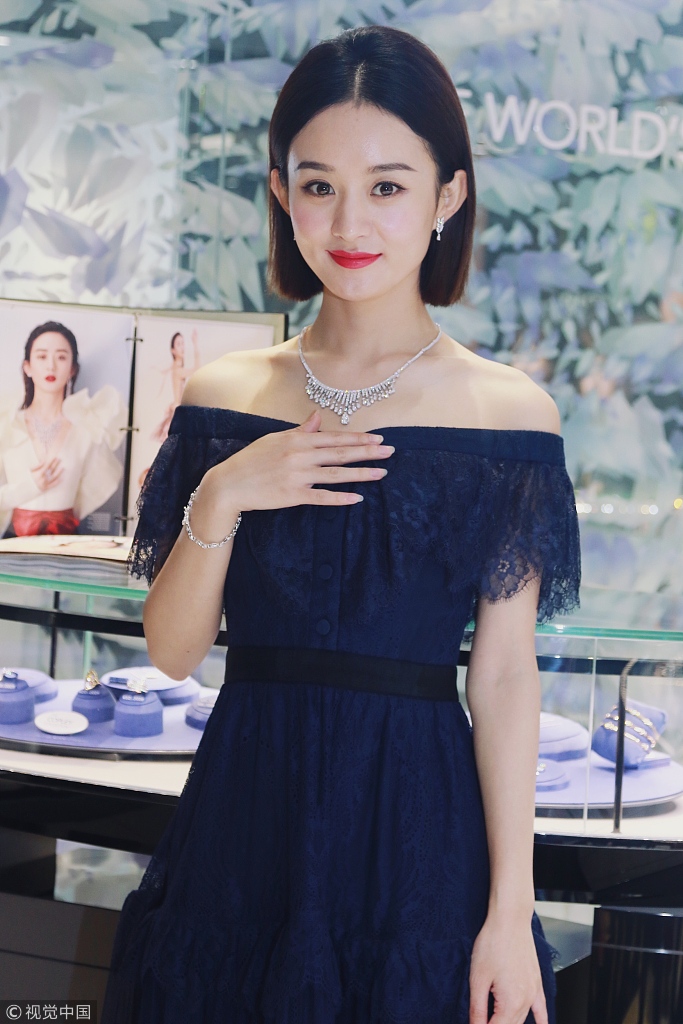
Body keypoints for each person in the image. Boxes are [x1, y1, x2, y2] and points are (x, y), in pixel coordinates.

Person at [102, 25, 580, 1024]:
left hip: (418, 832)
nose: (349, 221)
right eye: (318, 185)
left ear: (447, 196)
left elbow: (502, 676)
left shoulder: (508, 415)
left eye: (387, 186)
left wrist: (508, 911)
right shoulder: (225, 394)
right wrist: (221, 494)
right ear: (281, 194)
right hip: (244, 818)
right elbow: (174, 652)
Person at [0, 321, 126, 537]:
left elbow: (96, 488)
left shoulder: (88, 427)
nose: (51, 366)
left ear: (72, 369)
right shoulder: (7, 424)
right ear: (27, 367)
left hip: (67, 545)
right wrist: (30, 486)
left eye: (61, 357)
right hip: (13, 546)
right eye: (42, 357)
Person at [151, 328, 201, 443]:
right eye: (179, 344)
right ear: (173, 350)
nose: (182, 347)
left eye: (183, 343)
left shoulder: (176, 367)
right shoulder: (177, 370)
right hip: (179, 414)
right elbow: (197, 370)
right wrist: (195, 344)